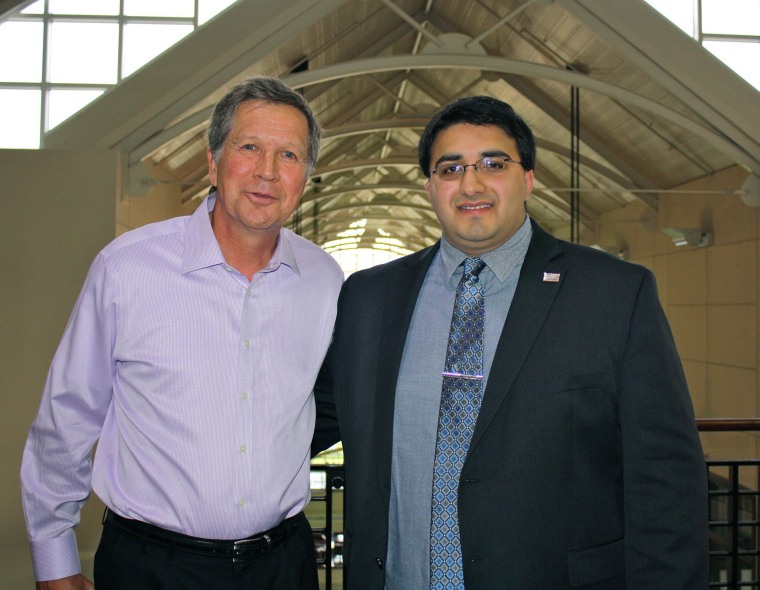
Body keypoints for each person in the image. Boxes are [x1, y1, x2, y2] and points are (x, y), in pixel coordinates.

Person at [313, 95, 708, 589]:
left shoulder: (613, 295)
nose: (471, 183)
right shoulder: (369, 297)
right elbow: (306, 416)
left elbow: (665, 479)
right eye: (450, 168)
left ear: (528, 179)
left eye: (493, 164)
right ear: (431, 188)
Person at [21, 76, 344, 590]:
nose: (267, 171)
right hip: (152, 567)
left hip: (282, 566)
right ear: (214, 162)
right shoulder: (128, 269)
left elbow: (326, 402)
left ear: (307, 175)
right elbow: (66, 419)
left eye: (289, 155)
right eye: (250, 147)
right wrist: (54, 561)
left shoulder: (325, 280)